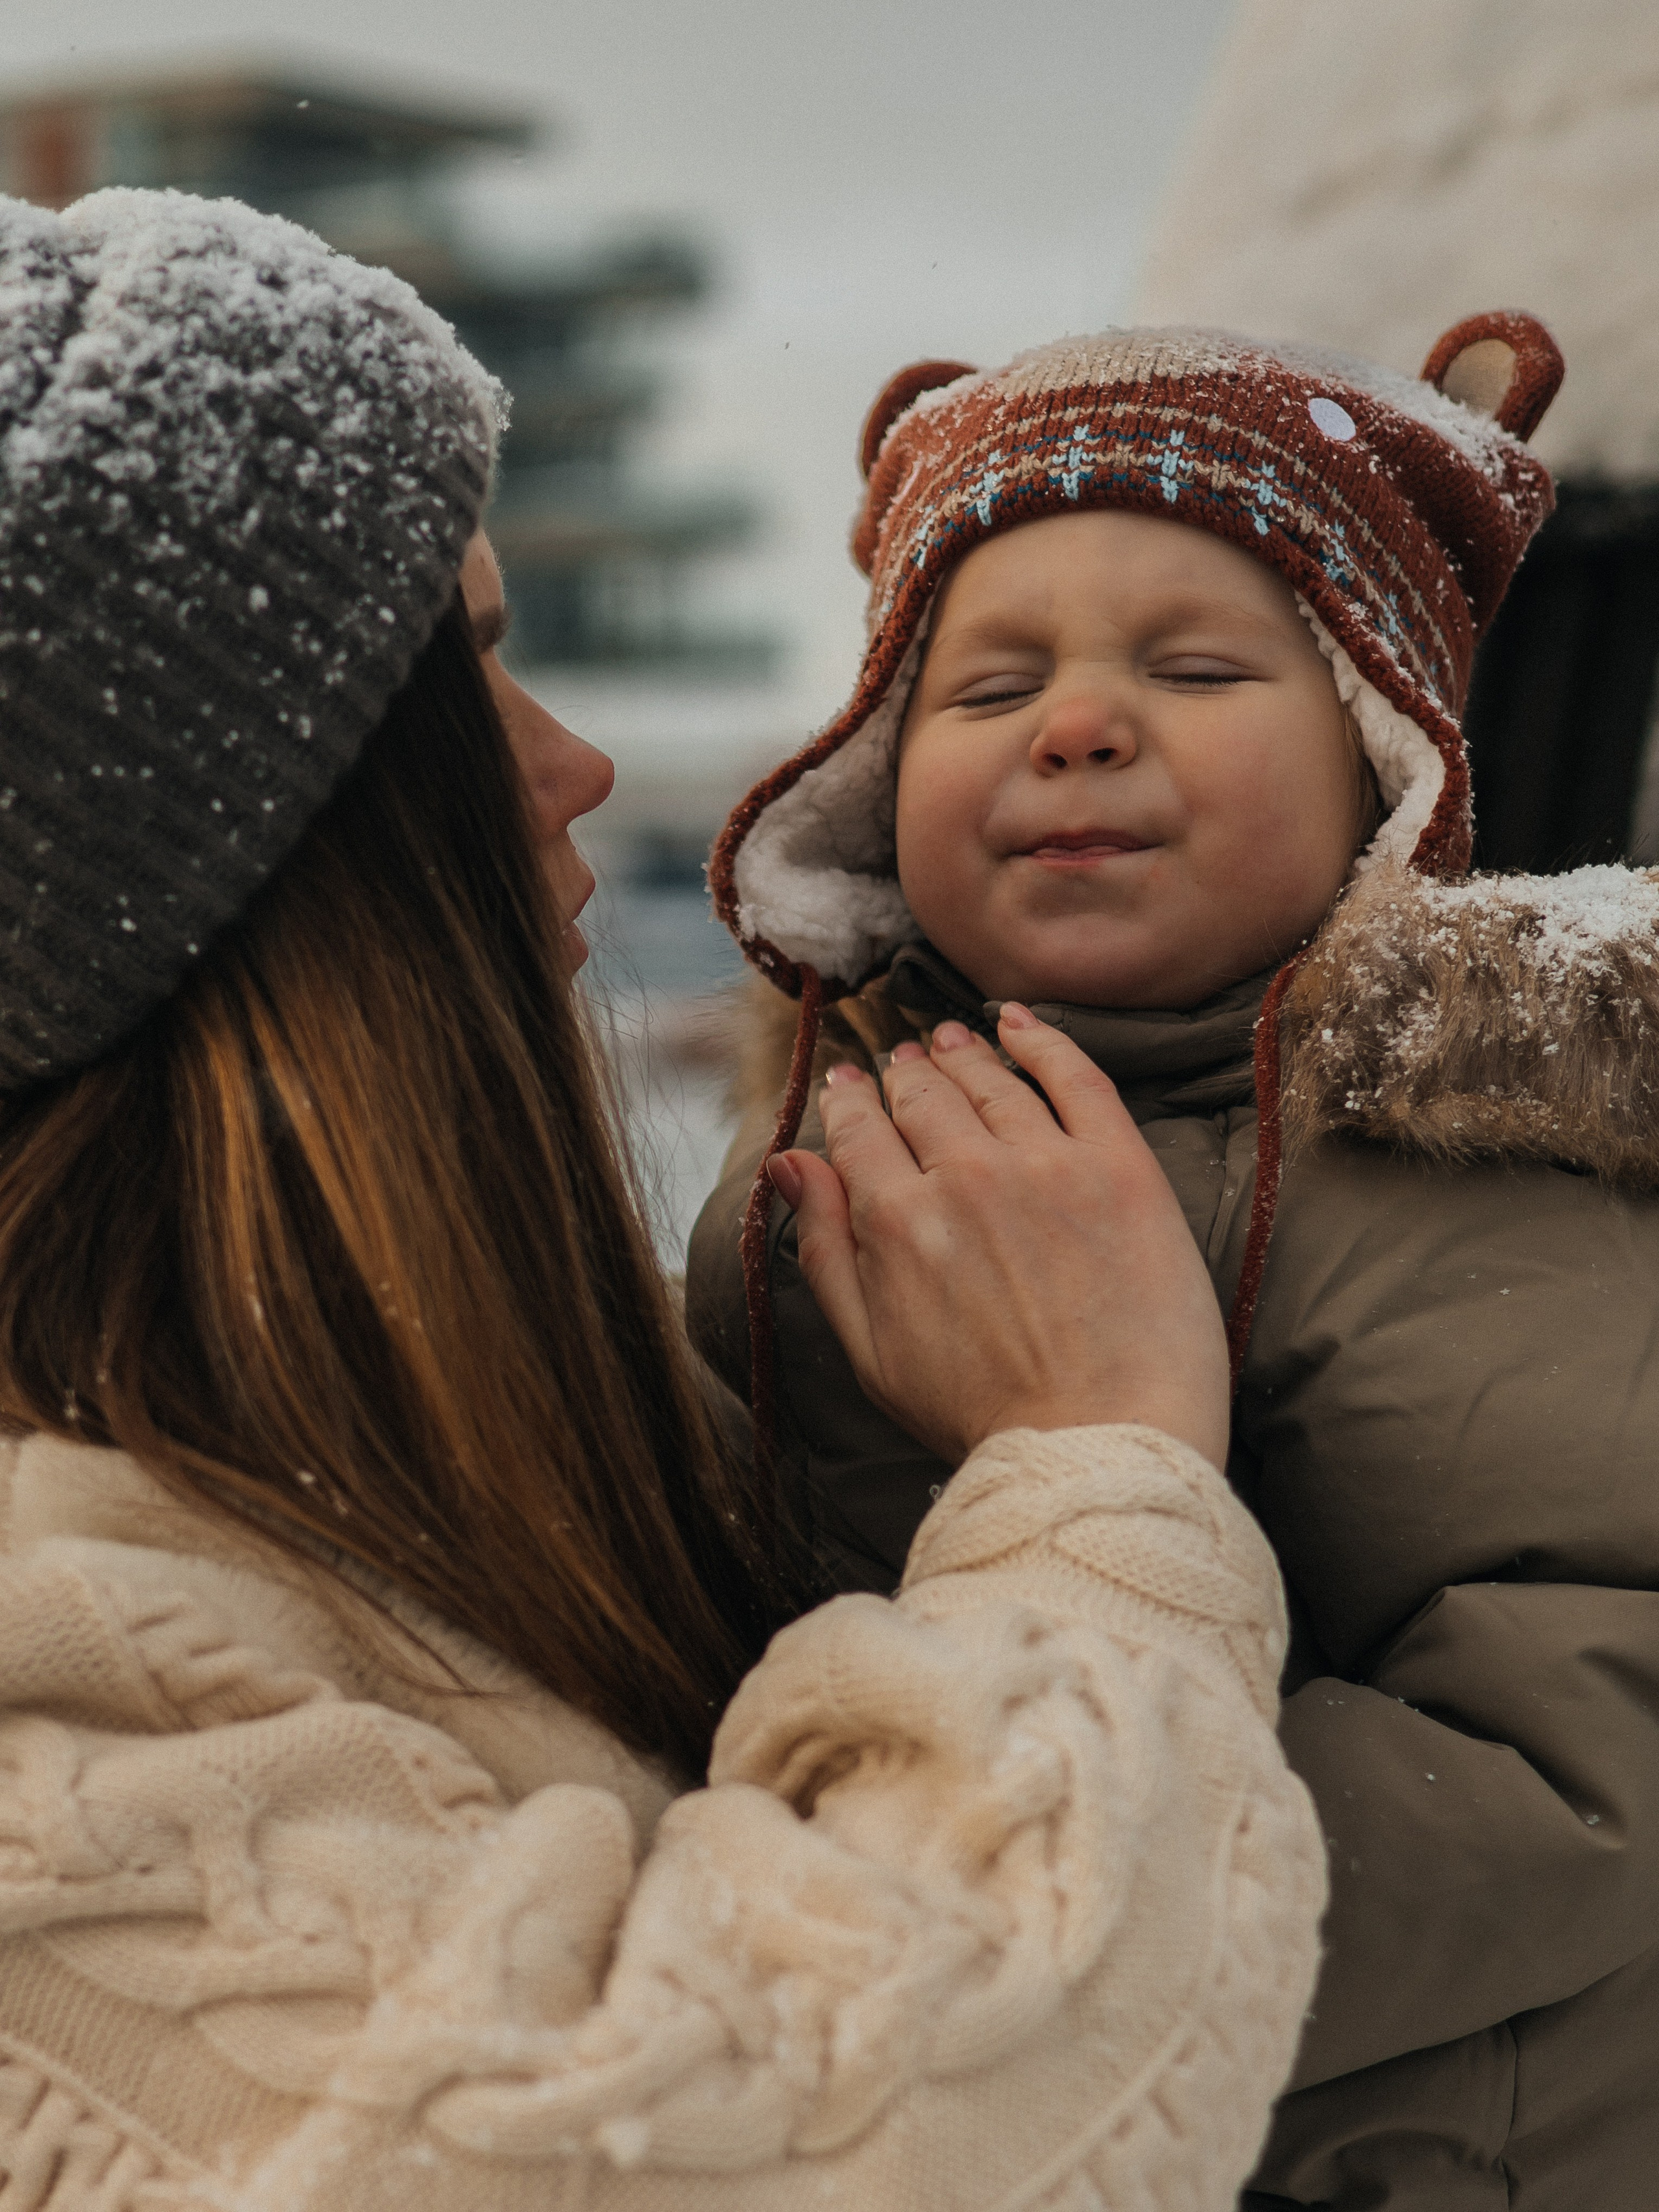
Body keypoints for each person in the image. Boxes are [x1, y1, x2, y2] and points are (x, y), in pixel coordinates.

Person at [0, 191, 1325, 2209]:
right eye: (471, 681)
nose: (586, 764)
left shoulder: (356, 1410)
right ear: (231, 849)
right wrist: (1098, 1476)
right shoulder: (49, 1699)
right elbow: (739, 2160)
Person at [688, 321, 1659, 2207]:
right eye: (985, 691)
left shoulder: (1500, 1182)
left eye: (1197, 666)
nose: (1076, 724)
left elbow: (1585, 1754)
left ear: (1387, 758)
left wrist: (1071, 1963)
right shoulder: (801, 1194)